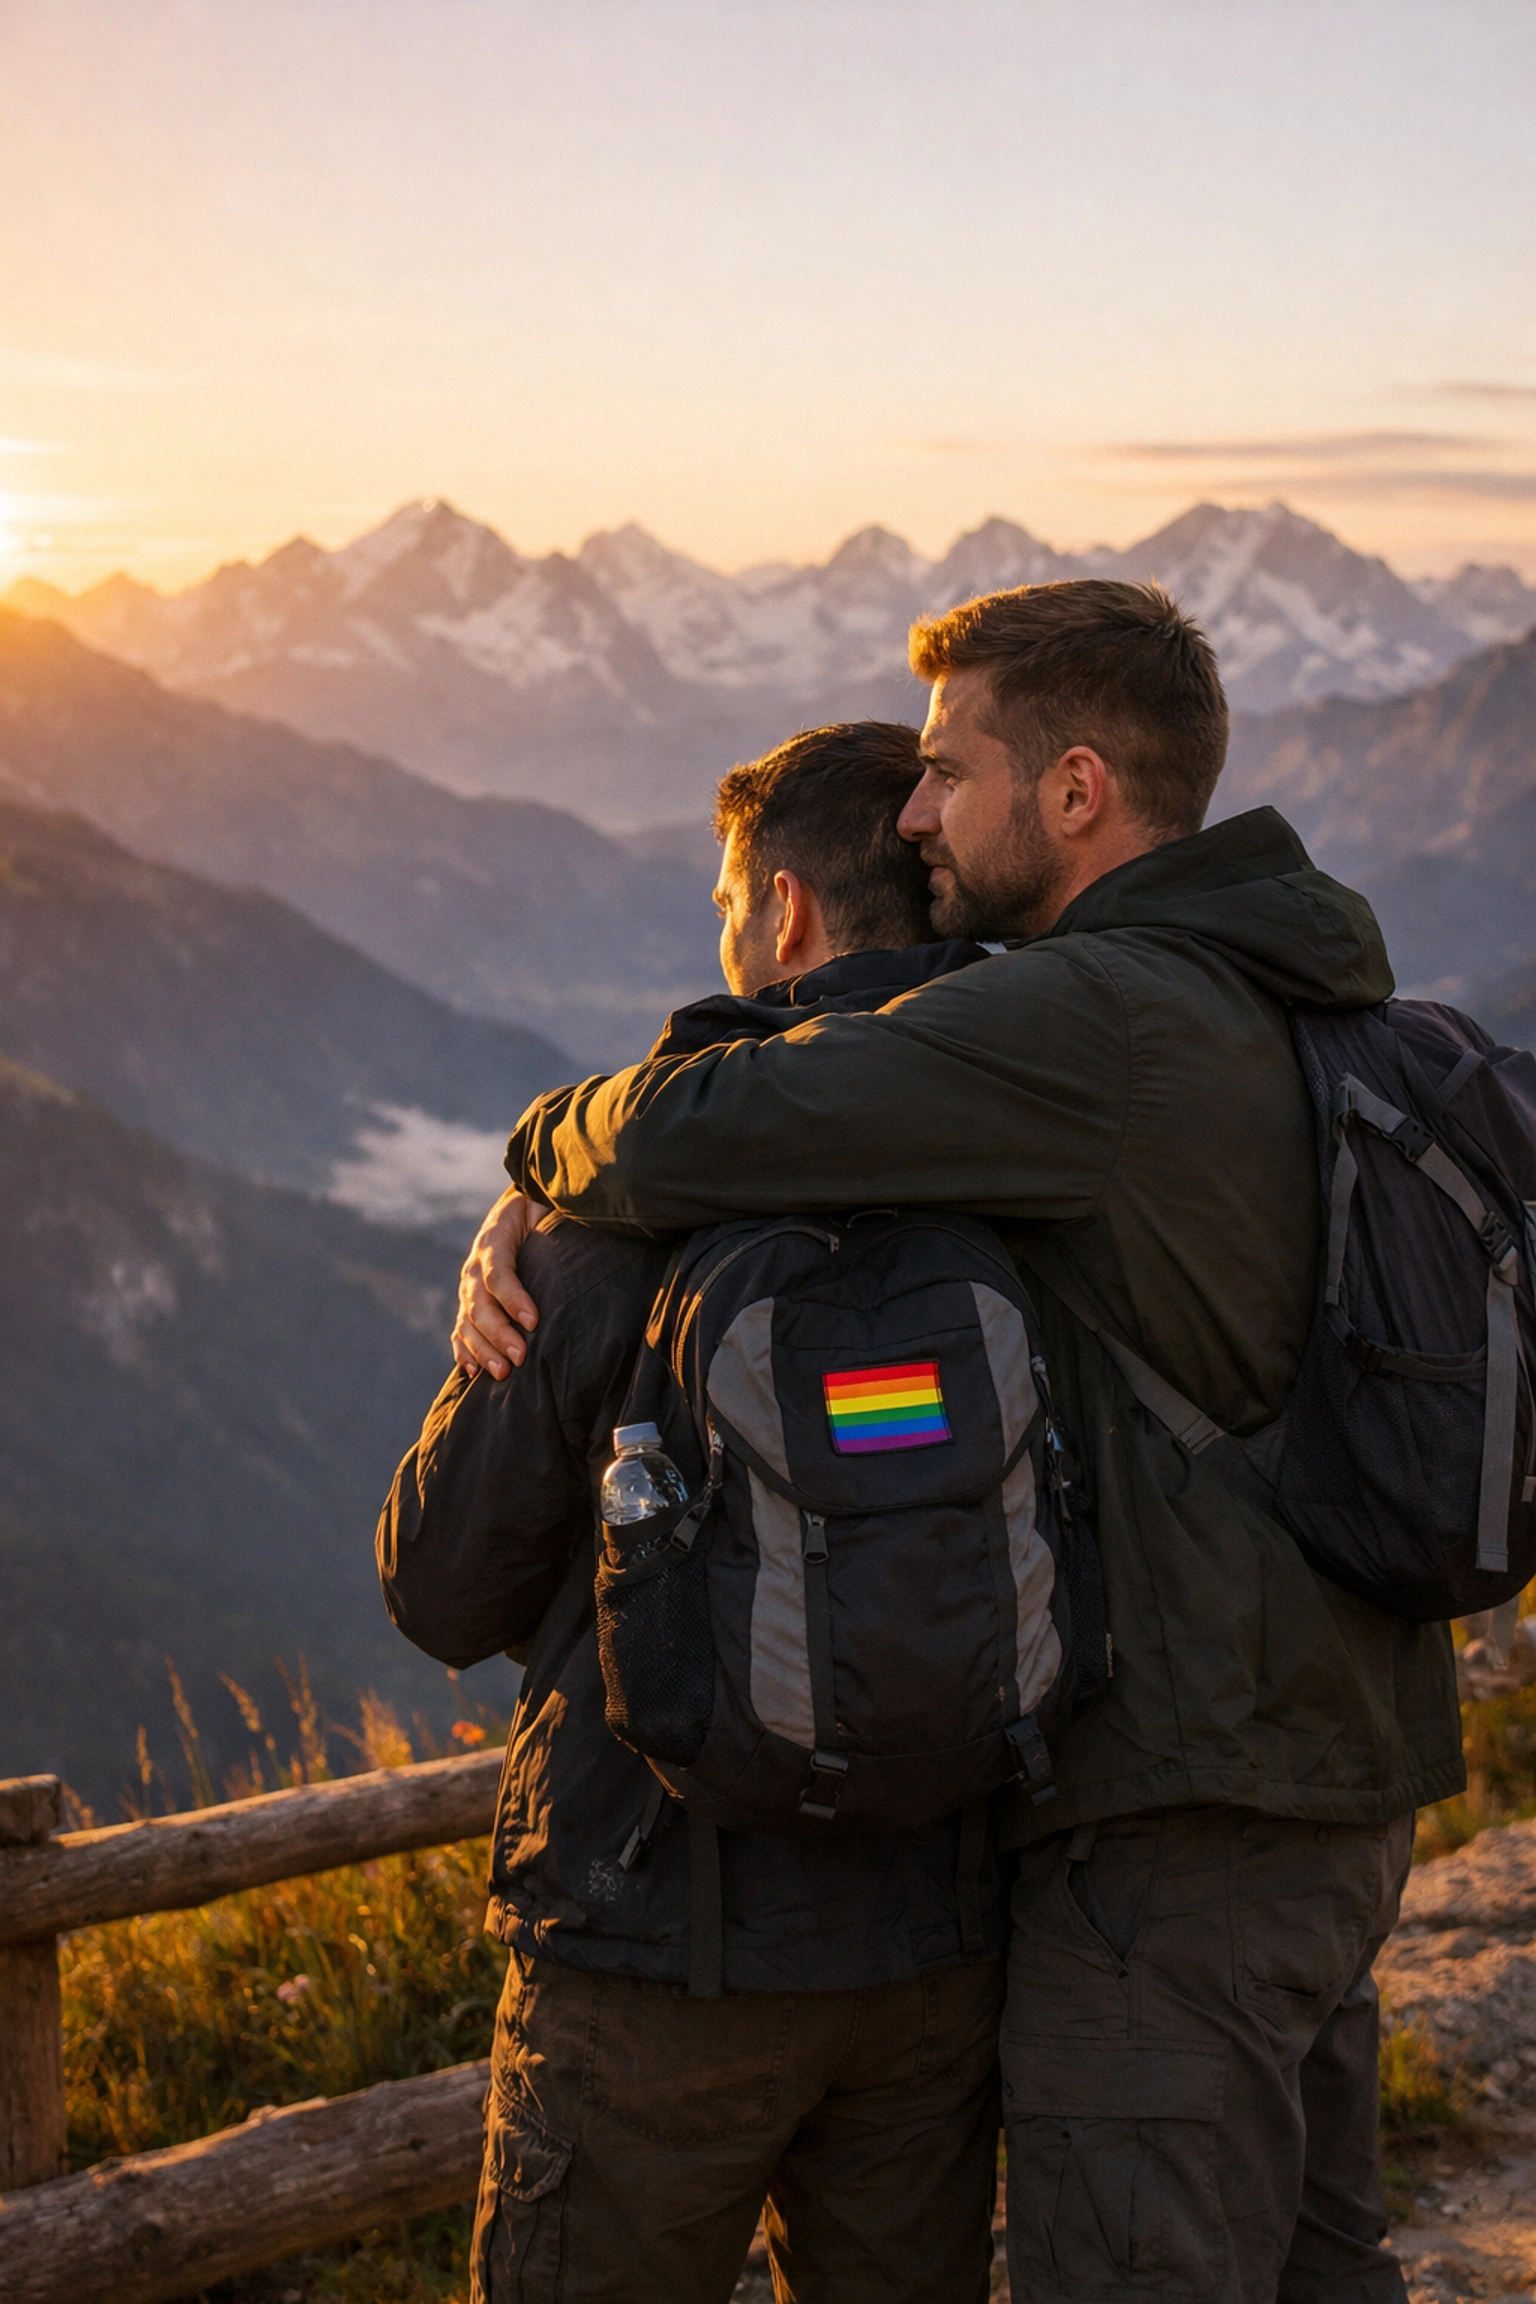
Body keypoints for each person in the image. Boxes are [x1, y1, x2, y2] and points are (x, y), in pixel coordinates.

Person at [457, 580, 1466, 2304]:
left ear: (1073, 791)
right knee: (1313, 2265)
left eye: (946, 770)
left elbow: (731, 1113)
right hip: (1338, 1775)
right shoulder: (1294, 974)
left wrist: (537, 1161)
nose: (918, 813)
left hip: (1180, 1822)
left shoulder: (1098, 1019)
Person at [381, 722, 1011, 2304]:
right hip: (939, 1943)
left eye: (729, 899)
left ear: (785, 914)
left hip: (655, 1940)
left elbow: (441, 1586)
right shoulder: (1031, 1171)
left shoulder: (615, 1221)